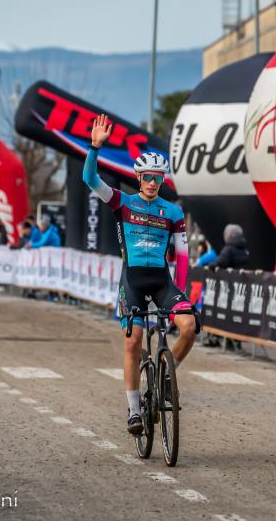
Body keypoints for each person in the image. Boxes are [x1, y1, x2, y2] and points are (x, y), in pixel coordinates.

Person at [84, 113, 196, 436]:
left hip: (162, 281)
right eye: (147, 177)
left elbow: (184, 256)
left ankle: (165, 370)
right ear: (138, 177)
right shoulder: (122, 202)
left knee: (188, 326)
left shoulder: (173, 212)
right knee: (132, 341)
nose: (151, 182)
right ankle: (134, 411)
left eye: (157, 178)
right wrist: (95, 148)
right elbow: (91, 179)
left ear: (162, 181)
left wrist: (183, 292)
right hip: (132, 280)